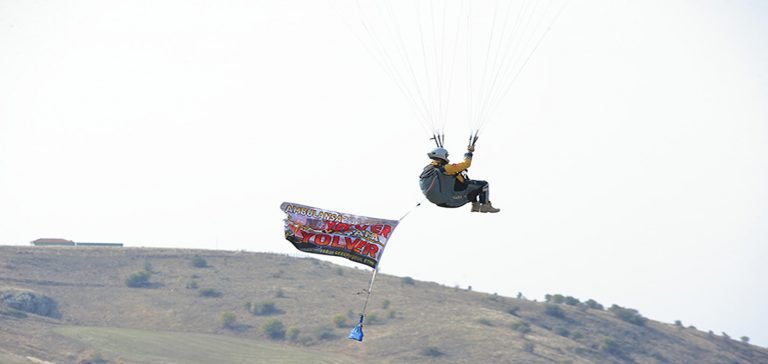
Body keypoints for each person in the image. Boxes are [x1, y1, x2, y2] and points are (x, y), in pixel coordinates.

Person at [419, 145, 500, 213]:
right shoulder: (447, 168)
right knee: (484, 184)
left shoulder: (428, 168)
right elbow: (466, 164)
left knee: (469, 185)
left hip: (438, 202)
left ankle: (475, 206)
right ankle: (485, 206)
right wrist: (469, 152)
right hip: (450, 200)